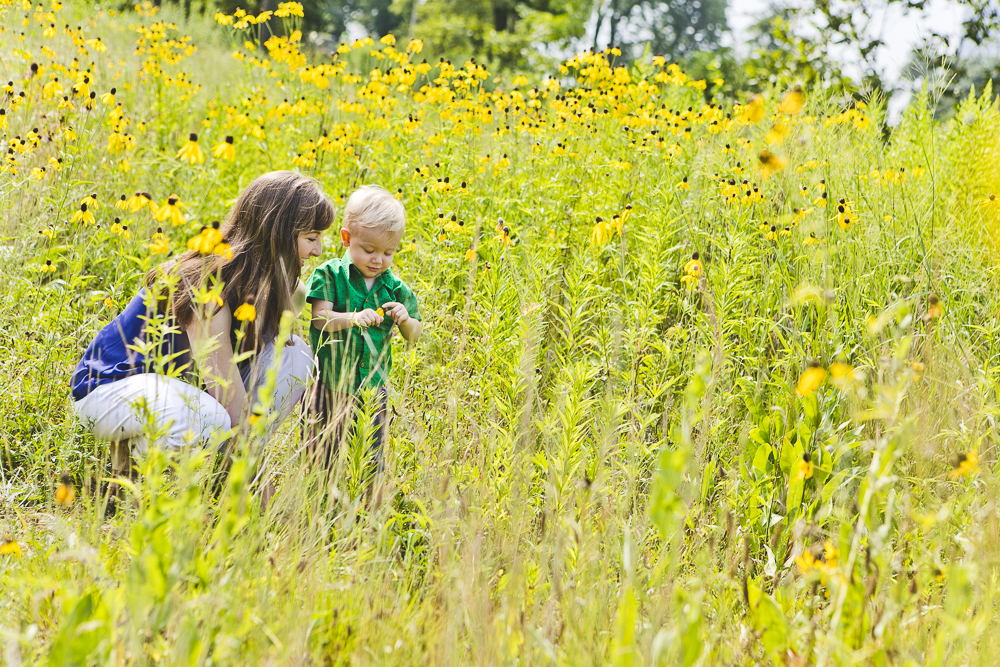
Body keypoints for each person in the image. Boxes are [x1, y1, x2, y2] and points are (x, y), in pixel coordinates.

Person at [72, 171, 335, 484]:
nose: (318, 251)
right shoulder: (209, 285)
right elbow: (230, 400)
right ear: (277, 233)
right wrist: (263, 494)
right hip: (107, 391)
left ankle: (225, 481)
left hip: (174, 390)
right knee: (210, 417)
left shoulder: (269, 287)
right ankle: (132, 480)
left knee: (296, 356)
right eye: (311, 238)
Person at [306, 185, 422, 474]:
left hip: (373, 389)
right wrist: (354, 317)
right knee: (321, 456)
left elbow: (414, 335)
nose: (378, 260)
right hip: (329, 384)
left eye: (388, 252)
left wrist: (405, 320)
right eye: (369, 250)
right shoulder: (330, 275)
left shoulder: (395, 288)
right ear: (346, 238)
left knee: (371, 459)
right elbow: (320, 317)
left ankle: (366, 511)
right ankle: (320, 503)